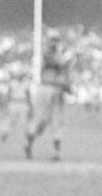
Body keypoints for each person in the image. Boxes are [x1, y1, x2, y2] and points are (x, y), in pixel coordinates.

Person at [25, 29, 74, 161]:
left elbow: (64, 74)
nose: (55, 42)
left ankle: (57, 152)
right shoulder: (46, 53)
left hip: (57, 89)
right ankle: (29, 141)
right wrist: (67, 58)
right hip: (45, 88)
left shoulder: (59, 53)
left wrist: (68, 86)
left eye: (56, 40)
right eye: (53, 40)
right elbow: (57, 64)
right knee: (41, 121)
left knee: (58, 121)